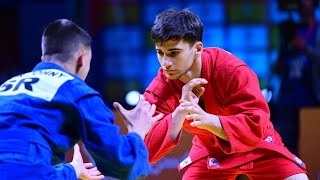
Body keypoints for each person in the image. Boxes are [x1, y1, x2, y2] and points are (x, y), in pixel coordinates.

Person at [123, 8, 308, 179]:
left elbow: (255, 126)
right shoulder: (162, 85)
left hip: (258, 146)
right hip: (209, 151)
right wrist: (178, 114)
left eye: (173, 52)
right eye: (160, 52)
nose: (165, 63)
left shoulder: (232, 70)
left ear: (197, 48)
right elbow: (146, 149)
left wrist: (208, 120)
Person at [0, 19, 163, 180]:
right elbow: (122, 165)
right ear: (81, 59)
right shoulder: (75, 89)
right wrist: (137, 132)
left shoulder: (7, 87)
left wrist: (72, 170)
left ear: (44, 58)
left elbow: (18, 163)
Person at [272, 0, 319, 155]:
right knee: (285, 143)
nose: (305, 5)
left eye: (308, 2)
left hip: (311, 96)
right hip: (288, 98)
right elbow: (278, 66)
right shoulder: (290, 31)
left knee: (310, 144)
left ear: (314, 4)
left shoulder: (318, 30)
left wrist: (304, 48)